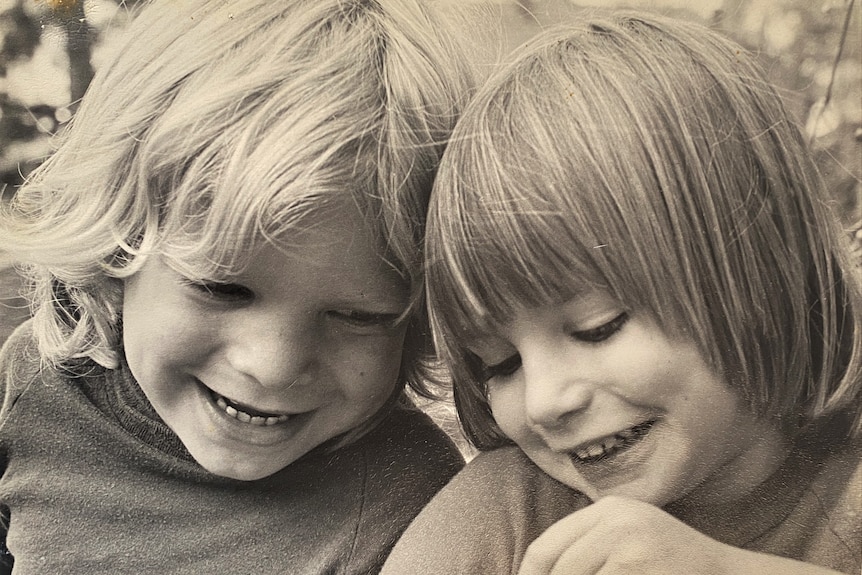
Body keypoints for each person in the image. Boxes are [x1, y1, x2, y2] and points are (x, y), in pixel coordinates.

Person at [0, 0, 478, 572]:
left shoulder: (422, 504)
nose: (272, 366)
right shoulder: (42, 381)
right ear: (115, 255)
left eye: (359, 316)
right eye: (222, 289)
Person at [382, 11, 862, 575]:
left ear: (765, 274)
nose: (545, 403)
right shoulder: (505, 514)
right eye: (502, 364)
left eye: (597, 327)